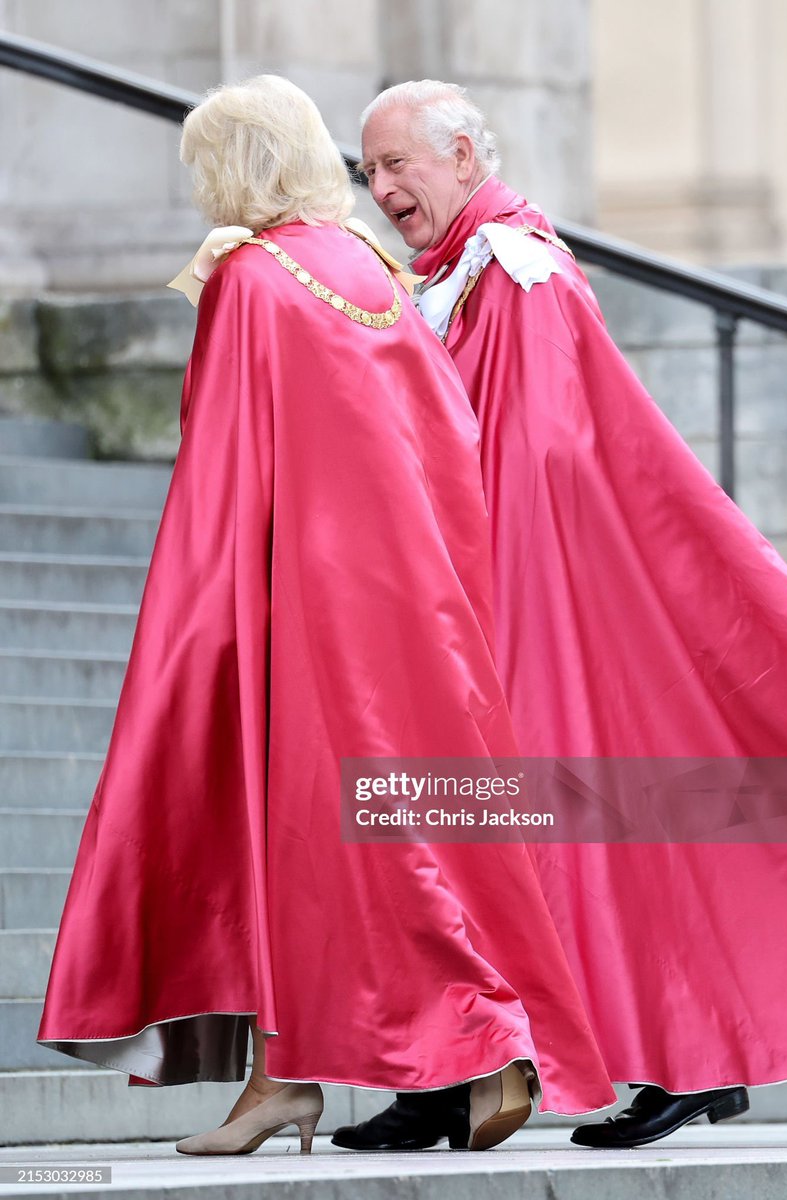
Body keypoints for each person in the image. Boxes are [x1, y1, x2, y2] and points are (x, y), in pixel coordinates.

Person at [36, 75, 618, 1156]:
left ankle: (477, 1037)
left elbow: (217, 470)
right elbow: (447, 440)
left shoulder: (253, 277)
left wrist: (193, 627)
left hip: (292, 608)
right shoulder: (373, 270)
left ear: (237, 166)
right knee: (359, 834)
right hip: (407, 612)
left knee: (301, 834)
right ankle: (289, 1078)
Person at [333, 78, 787, 1152]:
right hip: (465, 597)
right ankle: (449, 1072)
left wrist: (467, 593)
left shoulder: (519, 268)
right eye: (368, 171)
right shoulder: (459, 272)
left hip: (525, 598)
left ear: (462, 154)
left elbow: (544, 453)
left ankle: (690, 1055)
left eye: (397, 164)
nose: (380, 189)